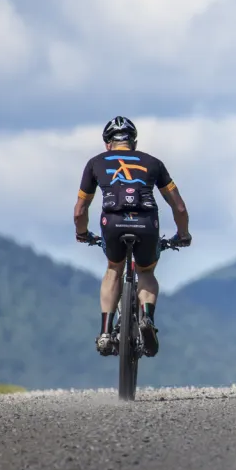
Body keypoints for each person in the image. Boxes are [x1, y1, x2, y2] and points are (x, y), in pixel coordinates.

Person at [74, 116, 191, 357]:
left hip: (113, 223)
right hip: (146, 223)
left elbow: (80, 211)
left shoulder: (95, 163)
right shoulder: (153, 162)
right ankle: (146, 318)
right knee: (146, 271)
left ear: (108, 144)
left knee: (113, 270)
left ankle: (106, 333)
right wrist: (183, 234)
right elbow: (179, 207)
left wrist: (82, 233)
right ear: (133, 143)